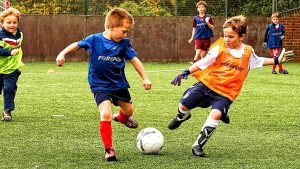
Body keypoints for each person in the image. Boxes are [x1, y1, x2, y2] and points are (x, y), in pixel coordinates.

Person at [169, 15, 293, 157]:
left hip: (226, 93)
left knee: (215, 114)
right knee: (184, 105)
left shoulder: (247, 52)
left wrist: (277, 60)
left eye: (231, 36)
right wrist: (186, 72)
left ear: (242, 37)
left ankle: (198, 145)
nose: (227, 39)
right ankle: (181, 117)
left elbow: (259, 61)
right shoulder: (220, 46)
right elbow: (204, 61)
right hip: (207, 85)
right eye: (225, 35)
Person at [56, 8, 152, 161]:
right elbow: (77, 45)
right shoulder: (94, 39)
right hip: (99, 85)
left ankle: (121, 118)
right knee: (105, 114)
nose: (126, 35)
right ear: (112, 26)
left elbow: (134, 60)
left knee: (129, 110)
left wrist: (145, 78)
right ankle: (109, 150)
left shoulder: (124, 44)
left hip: (118, 84)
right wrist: (62, 53)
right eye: (124, 31)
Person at [0, 7, 24, 122]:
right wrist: (9, 52)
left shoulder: (19, 34)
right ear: (2, 23)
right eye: (8, 22)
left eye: (15, 22)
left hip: (12, 69)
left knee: (9, 88)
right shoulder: (0, 36)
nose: (12, 25)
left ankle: (7, 110)